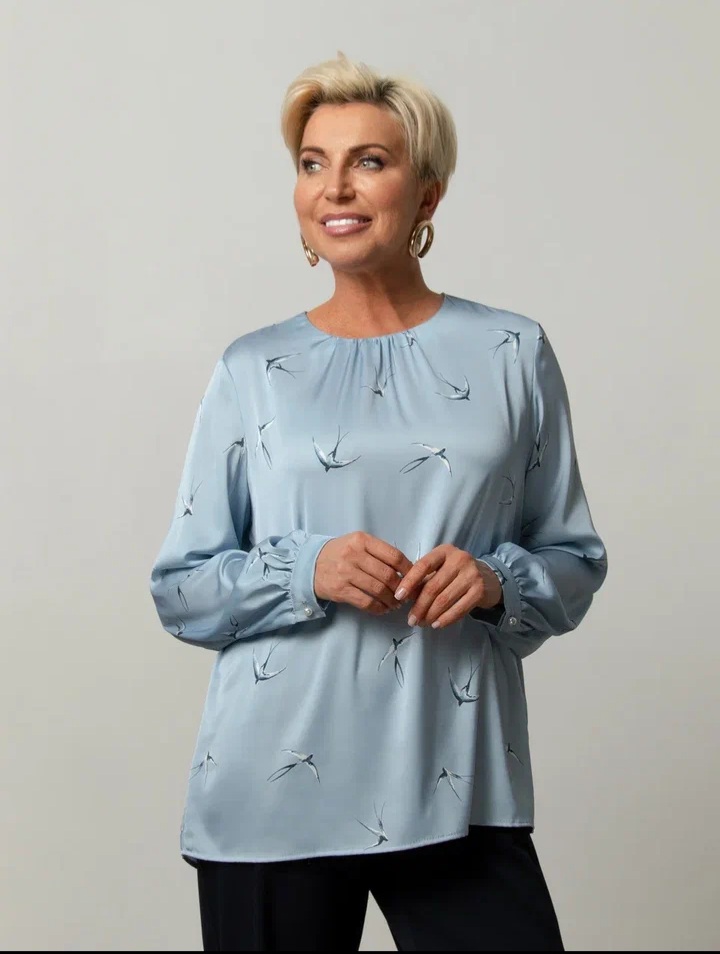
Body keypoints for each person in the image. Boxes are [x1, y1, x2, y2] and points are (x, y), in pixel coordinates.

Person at [148, 51, 608, 952]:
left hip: (458, 780)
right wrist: (305, 570)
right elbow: (181, 588)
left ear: (427, 194)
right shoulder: (252, 370)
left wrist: (494, 580)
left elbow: (574, 558)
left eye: (369, 160)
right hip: (272, 792)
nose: (335, 187)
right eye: (313, 163)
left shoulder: (512, 352)